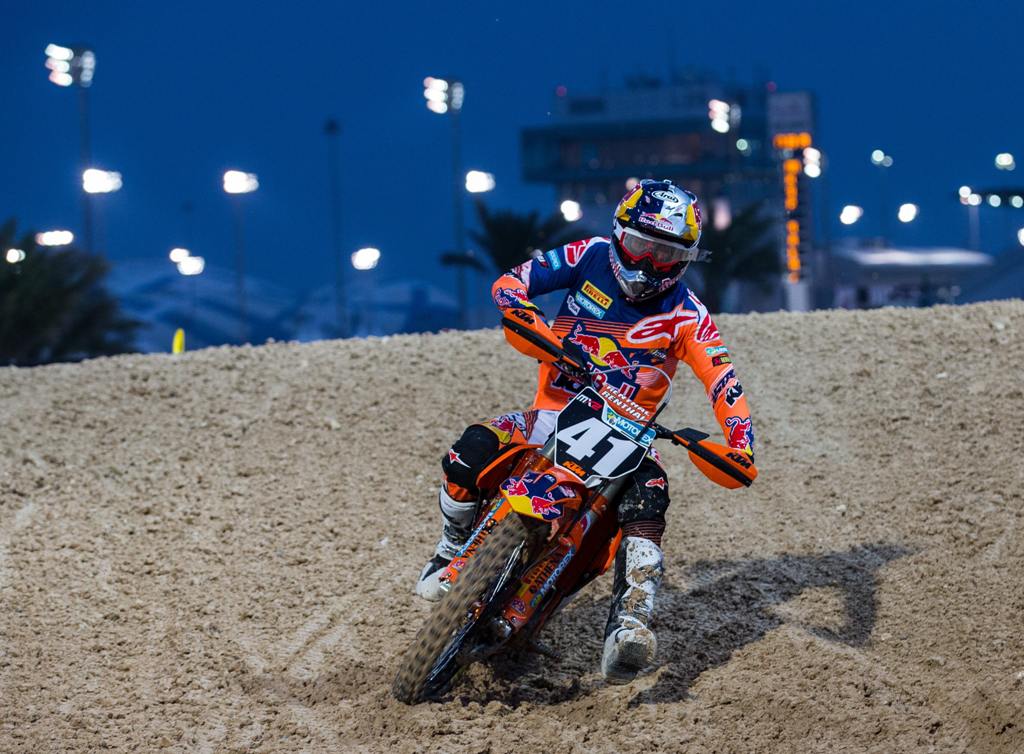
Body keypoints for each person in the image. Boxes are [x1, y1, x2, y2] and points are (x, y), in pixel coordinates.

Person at [415, 179, 756, 684]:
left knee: (652, 496)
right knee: (472, 448)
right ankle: (450, 546)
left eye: (666, 254)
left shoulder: (690, 315)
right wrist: (532, 322)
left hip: (631, 437)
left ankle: (631, 622)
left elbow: (723, 382)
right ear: (620, 235)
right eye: (641, 246)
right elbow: (512, 283)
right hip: (554, 412)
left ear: (685, 260)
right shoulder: (588, 255)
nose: (648, 264)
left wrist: (740, 444)